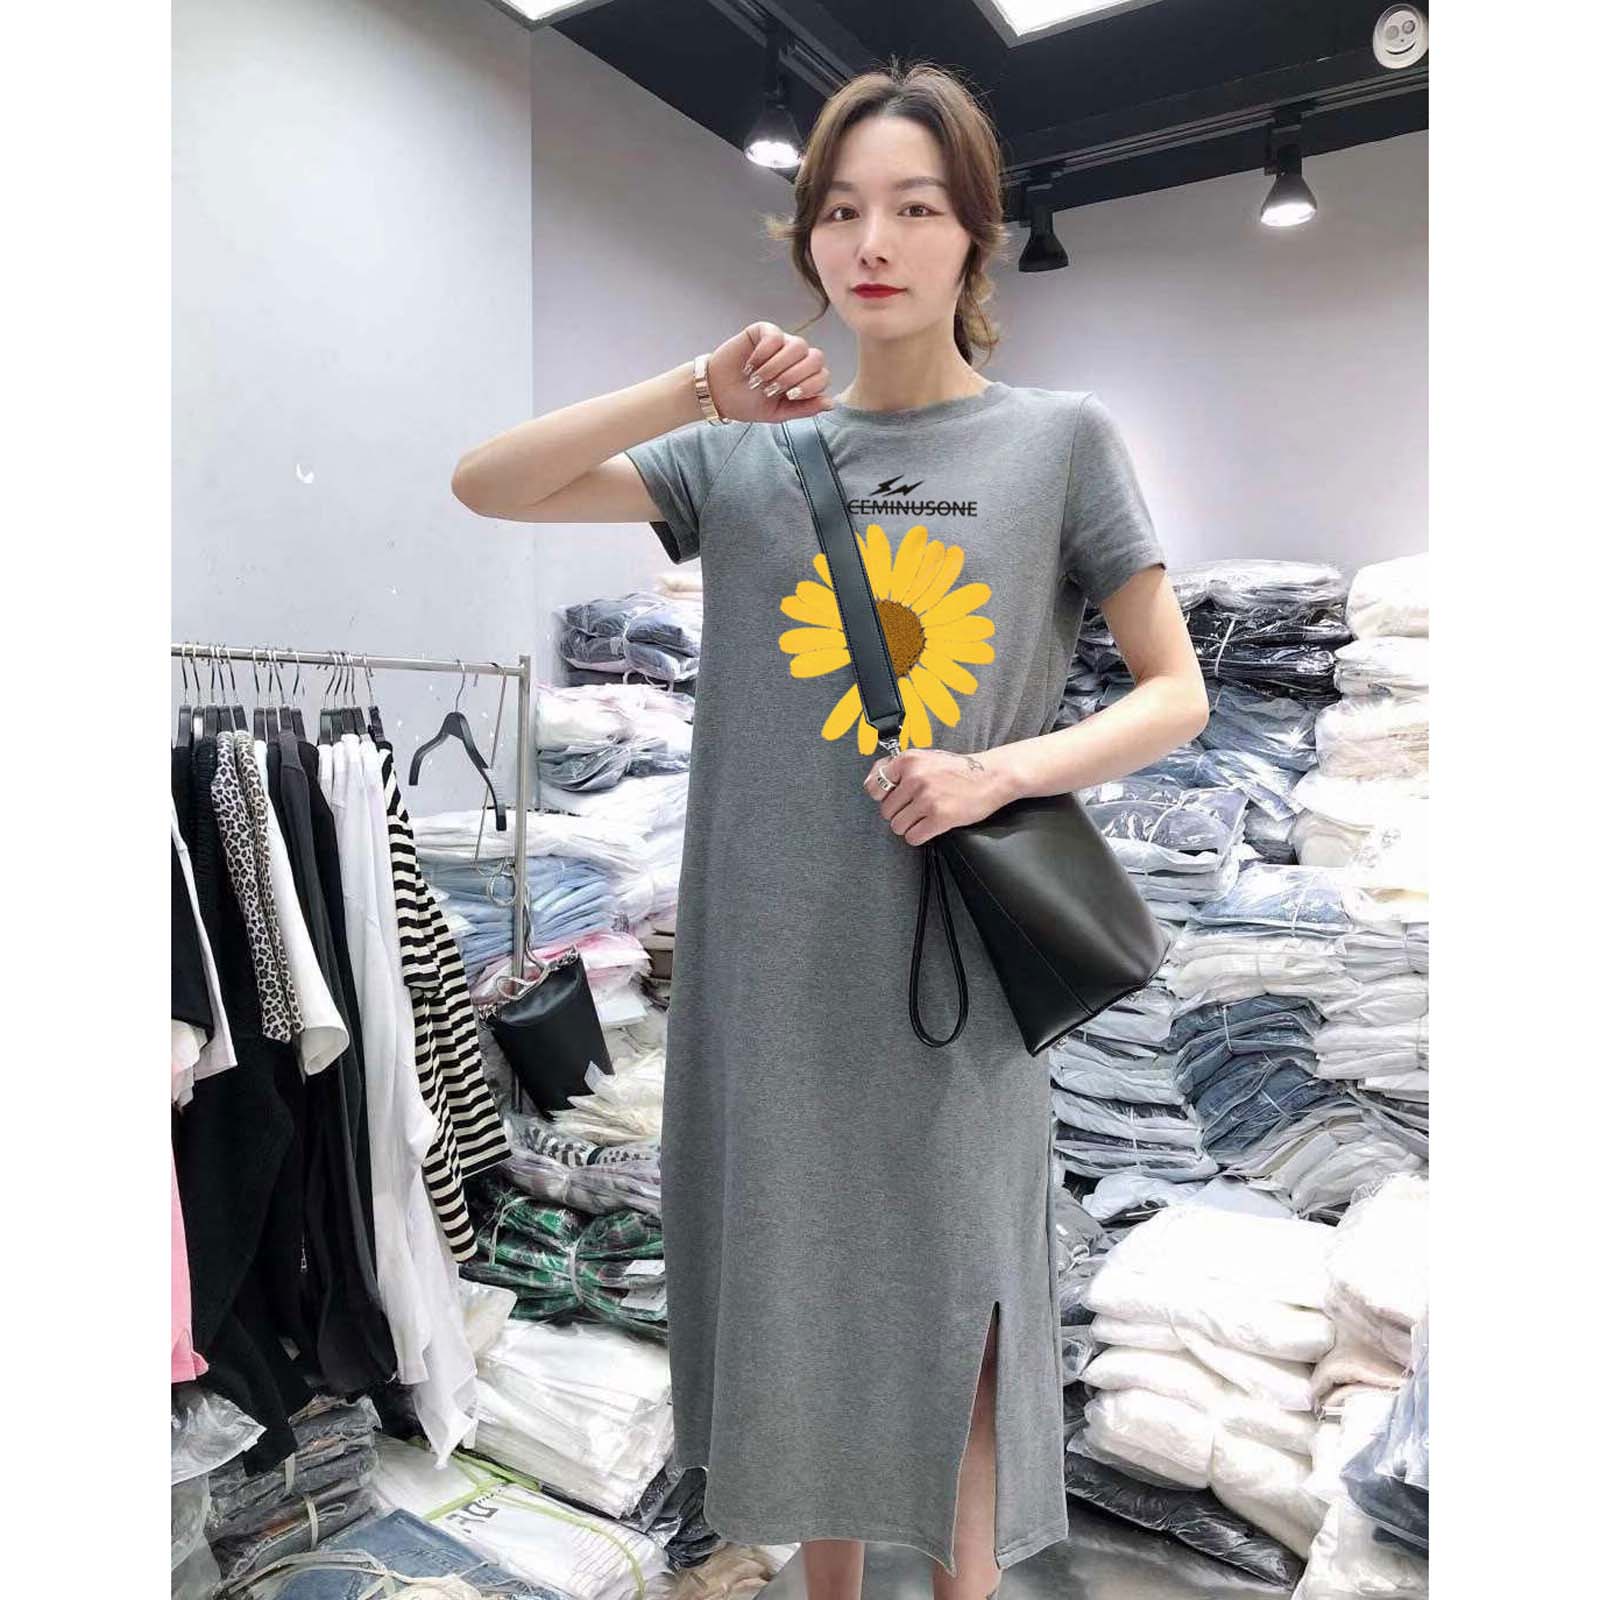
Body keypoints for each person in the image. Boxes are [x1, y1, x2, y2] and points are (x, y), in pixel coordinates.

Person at [453, 56, 1207, 1600]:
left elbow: (1176, 692)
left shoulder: (1060, 442)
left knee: (964, 1320)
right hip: (771, 978)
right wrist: (693, 386)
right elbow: (488, 484)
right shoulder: (740, 455)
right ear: (806, 239)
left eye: (916, 208)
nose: (875, 241)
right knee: (802, 1319)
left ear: (975, 234)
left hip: (954, 983)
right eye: (843, 210)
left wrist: (999, 773)